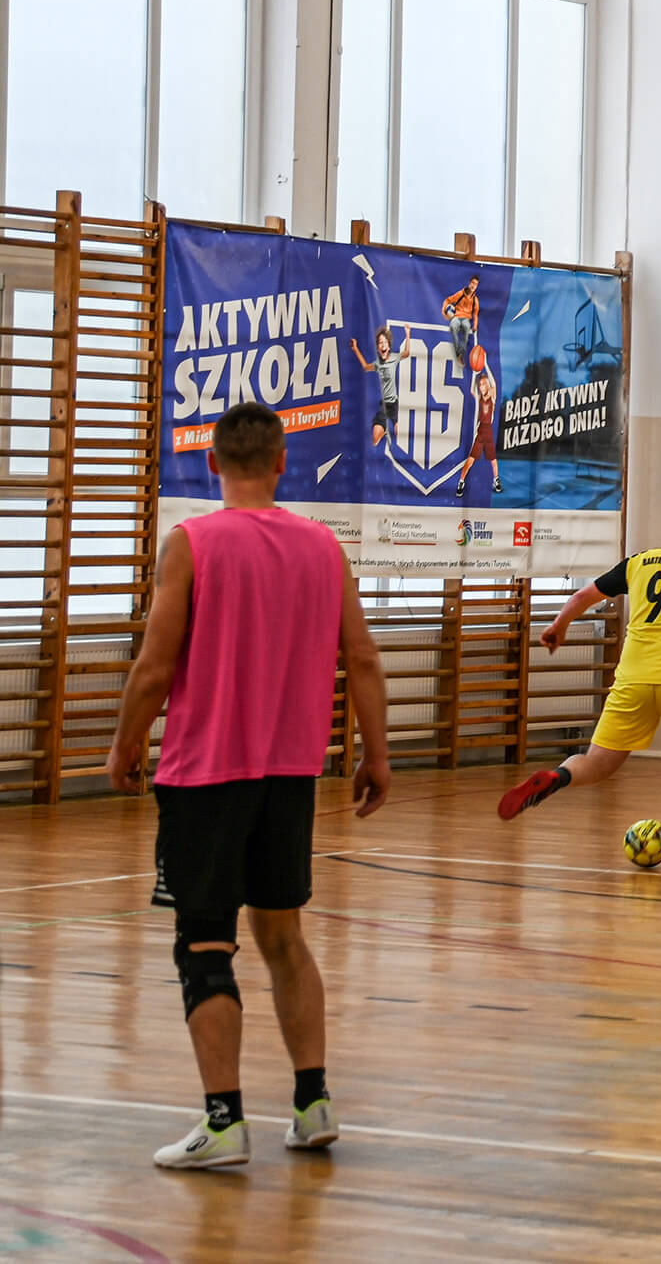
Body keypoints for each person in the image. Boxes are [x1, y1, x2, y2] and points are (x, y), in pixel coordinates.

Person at [108, 402, 392, 1170]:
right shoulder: (322, 545)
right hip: (289, 774)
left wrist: (126, 742)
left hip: (204, 775)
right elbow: (364, 658)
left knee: (204, 944)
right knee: (283, 936)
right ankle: (313, 1101)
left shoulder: (192, 543)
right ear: (280, 461)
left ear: (212, 463)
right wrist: (377, 753)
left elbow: (154, 665)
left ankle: (225, 1121)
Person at [497, 509, 661, 867]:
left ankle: (558, 775)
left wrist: (559, 625)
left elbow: (584, 595)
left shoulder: (637, 562)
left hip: (632, 678)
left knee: (597, 763)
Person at [350, 325, 414, 450]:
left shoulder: (394, 358)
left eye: (385, 342)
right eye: (380, 343)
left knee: (400, 434)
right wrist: (355, 349)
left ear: (389, 347)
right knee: (374, 439)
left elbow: (406, 353)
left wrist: (407, 334)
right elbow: (366, 367)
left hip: (394, 404)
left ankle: (394, 434)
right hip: (383, 405)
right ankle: (383, 431)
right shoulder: (378, 364)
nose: (383, 345)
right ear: (378, 348)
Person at [456, 366, 500, 497]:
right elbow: (471, 390)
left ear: (488, 386)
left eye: (484, 384)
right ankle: (461, 482)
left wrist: (485, 364)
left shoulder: (492, 398)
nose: (482, 386)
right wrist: (475, 375)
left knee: (493, 459)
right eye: (480, 384)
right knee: (470, 460)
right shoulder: (479, 398)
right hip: (480, 431)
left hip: (488, 430)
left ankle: (496, 480)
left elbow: (494, 384)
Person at [442, 278, 480, 367]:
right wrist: (444, 311)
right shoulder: (461, 293)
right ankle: (458, 353)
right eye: (472, 283)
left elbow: (475, 314)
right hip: (457, 316)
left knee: (466, 329)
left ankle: (461, 354)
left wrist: (475, 325)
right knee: (453, 327)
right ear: (469, 283)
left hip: (466, 318)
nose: (473, 285)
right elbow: (448, 300)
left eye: (475, 284)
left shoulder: (475, 300)